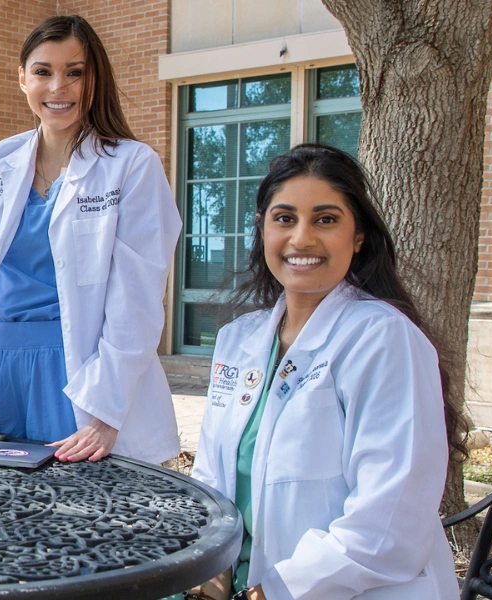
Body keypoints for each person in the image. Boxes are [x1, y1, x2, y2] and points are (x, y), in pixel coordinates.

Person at [0, 15, 182, 465]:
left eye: (75, 72)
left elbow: (137, 303)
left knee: (81, 505)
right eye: (43, 71)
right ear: (22, 79)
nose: (58, 87)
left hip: (83, 377)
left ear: (95, 80)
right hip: (4, 372)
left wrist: (106, 412)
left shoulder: (132, 165)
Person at [188, 144, 463, 599]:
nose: (302, 239)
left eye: (326, 219)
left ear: (358, 236)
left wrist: (271, 592)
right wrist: (209, 562)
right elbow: (211, 478)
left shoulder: (383, 338)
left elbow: (389, 522)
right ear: (262, 228)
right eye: (284, 218)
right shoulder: (239, 339)